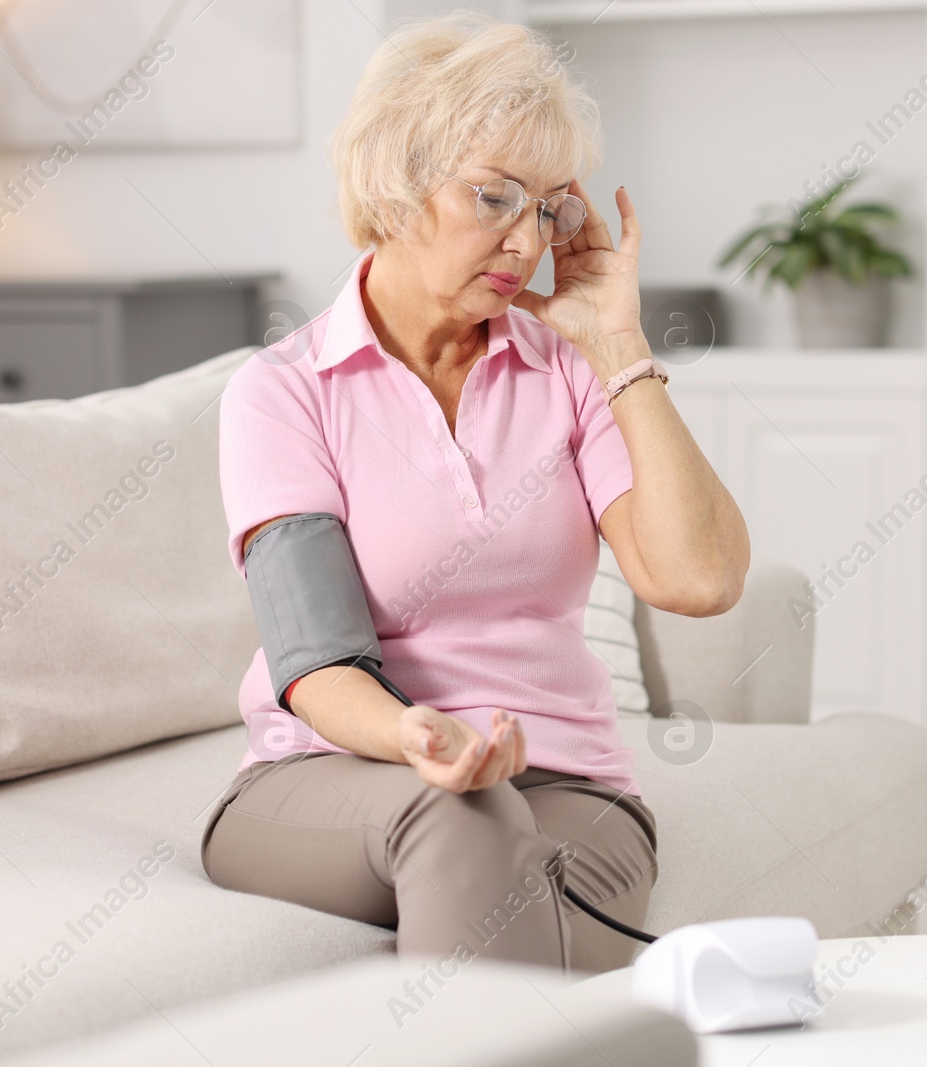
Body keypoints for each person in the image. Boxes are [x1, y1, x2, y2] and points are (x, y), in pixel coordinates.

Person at [201, 12, 749, 975]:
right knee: (466, 821)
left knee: (494, 862)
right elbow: (315, 659)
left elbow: (697, 579)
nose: (526, 238)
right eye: (494, 196)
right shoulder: (284, 392)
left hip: (571, 789)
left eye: (545, 208)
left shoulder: (568, 371)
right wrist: (416, 732)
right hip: (334, 772)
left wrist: (617, 348)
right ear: (395, 184)